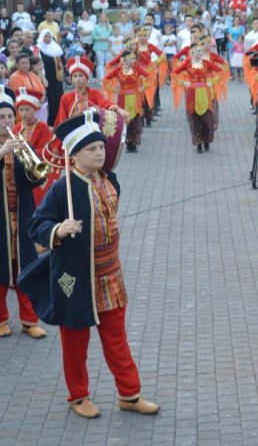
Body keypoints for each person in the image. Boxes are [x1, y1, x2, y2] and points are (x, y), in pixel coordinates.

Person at [19, 110, 159, 419]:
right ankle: (78, 395)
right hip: (73, 278)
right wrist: (58, 230)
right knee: (75, 342)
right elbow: (36, 224)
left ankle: (129, 393)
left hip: (110, 276)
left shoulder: (111, 181)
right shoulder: (62, 188)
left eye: (100, 147)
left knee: (116, 339)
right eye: (91, 149)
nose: (99, 152)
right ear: (75, 155)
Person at [0, 89, 46, 340]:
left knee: (25, 268)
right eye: (2, 117)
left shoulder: (22, 144)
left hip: (22, 215)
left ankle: (30, 321)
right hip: (1, 219)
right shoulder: (7, 145)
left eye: (10, 116)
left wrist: (31, 163)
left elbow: (38, 178)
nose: (7, 121)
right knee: (0, 270)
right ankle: (1, 320)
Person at [171, 39, 222, 153]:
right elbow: (174, 73)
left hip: (205, 93)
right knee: (195, 119)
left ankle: (207, 141)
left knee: (207, 118)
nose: (200, 52)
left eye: (201, 50)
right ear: (192, 52)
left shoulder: (206, 63)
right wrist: (184, 83)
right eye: (197, 51)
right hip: (192, 93)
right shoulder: (187, 63)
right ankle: (198, 143)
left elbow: (220, 71)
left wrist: (212, 81)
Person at [103, 49, 150, 153]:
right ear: (125, 59)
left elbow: (149, 76)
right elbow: (106, 80)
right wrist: (113, 89)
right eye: (132, 58)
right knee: (125, 120)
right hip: (122, 98)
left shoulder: (137, 69)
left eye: (134, 58)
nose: (134, 60)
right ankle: (126, 142)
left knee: (134, 120)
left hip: (135, 98)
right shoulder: (118, 71)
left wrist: (143, 87)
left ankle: (133, 143)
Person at [12, 87, 53, 205]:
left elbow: (46, 150)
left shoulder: (43, 127)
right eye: (21, 110)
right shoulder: (17, 127)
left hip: (37, 168)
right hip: (20, 169)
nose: (23, 113)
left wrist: (30, 151)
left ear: (35, 109)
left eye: (27, 109)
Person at [36, 29, 64, 127]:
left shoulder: (56, 48)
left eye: (49, 37)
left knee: (58, 99)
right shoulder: (38, 48)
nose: (47, 39)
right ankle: (50, 122)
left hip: (57, 79)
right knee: (48, 101)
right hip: (45, 78)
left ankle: (59, 120)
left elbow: (61, 62)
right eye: (45, 37)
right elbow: (38, 64)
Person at [93, 13, 113, 80]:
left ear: (107, 18)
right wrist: (100, 38)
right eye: (102, 17)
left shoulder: (110, 26)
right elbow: (93, 36)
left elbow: (113, 35)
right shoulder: (96, 26)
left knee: (108, 62)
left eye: (104, 17)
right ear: (100, 18)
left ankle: (108, 76)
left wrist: (109, 38)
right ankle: (102, 77)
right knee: (100, 62)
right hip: (99, 46)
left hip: (108, 46)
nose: (103, 18)